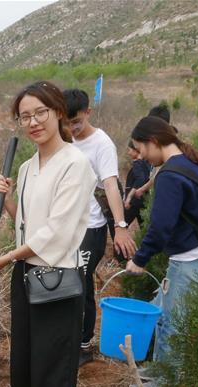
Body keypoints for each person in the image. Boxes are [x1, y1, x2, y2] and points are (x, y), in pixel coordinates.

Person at [0, 81, 95, 387]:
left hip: (56, 281)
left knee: (53, 368)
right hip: (27, 275)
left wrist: (2, 259)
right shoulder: (29, 167)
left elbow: (57, 233)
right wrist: (8, 199)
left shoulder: (75, 164)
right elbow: (28, 225)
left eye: (40, 113)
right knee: (28, 361)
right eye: (25, 116)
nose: (33, 122)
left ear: (58, 112)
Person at [125, 116, 198, 387]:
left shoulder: (169, 175)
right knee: (164, 313)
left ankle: (168, 386)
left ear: (154, 141)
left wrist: (140, 259)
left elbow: (160, 226)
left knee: (174, 322)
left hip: (190, 259)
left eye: (141, 148)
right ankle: (160, 369)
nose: (141, 156)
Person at [63, 88, 137, 366]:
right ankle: (68, 338)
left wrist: (120, 226)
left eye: (76, 122)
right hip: (65, 226)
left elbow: (110, 185)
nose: (71, 128)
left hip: (90, 227)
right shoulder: (63, 139)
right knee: (66, 281)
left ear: (88, 112)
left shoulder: (101, 144)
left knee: (80, 283)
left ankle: (83, 345)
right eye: (66, 123)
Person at [123, 140, 151, 226]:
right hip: (144, 200)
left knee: (122, 225)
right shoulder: (147, 162)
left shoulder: (137, 164)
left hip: (134, 201)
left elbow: (140, 179)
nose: (128, 153)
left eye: (129, 150)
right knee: (144, 226)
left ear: (136, 149)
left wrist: (129, 197)